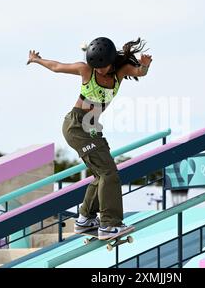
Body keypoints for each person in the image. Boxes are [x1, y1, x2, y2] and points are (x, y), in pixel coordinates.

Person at [27, 37, 152, 239]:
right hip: (76, 126)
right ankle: (109, 224)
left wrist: (145, 65)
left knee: (102, 174)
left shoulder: (120, 72)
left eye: (103, 66)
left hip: (92, 128)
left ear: (111, 61)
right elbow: (57, 67)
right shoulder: (86, 70)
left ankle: (85, 220)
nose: (99, 70)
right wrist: (36, 60)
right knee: (109, 173)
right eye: (97, 66)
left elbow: (140, 72)